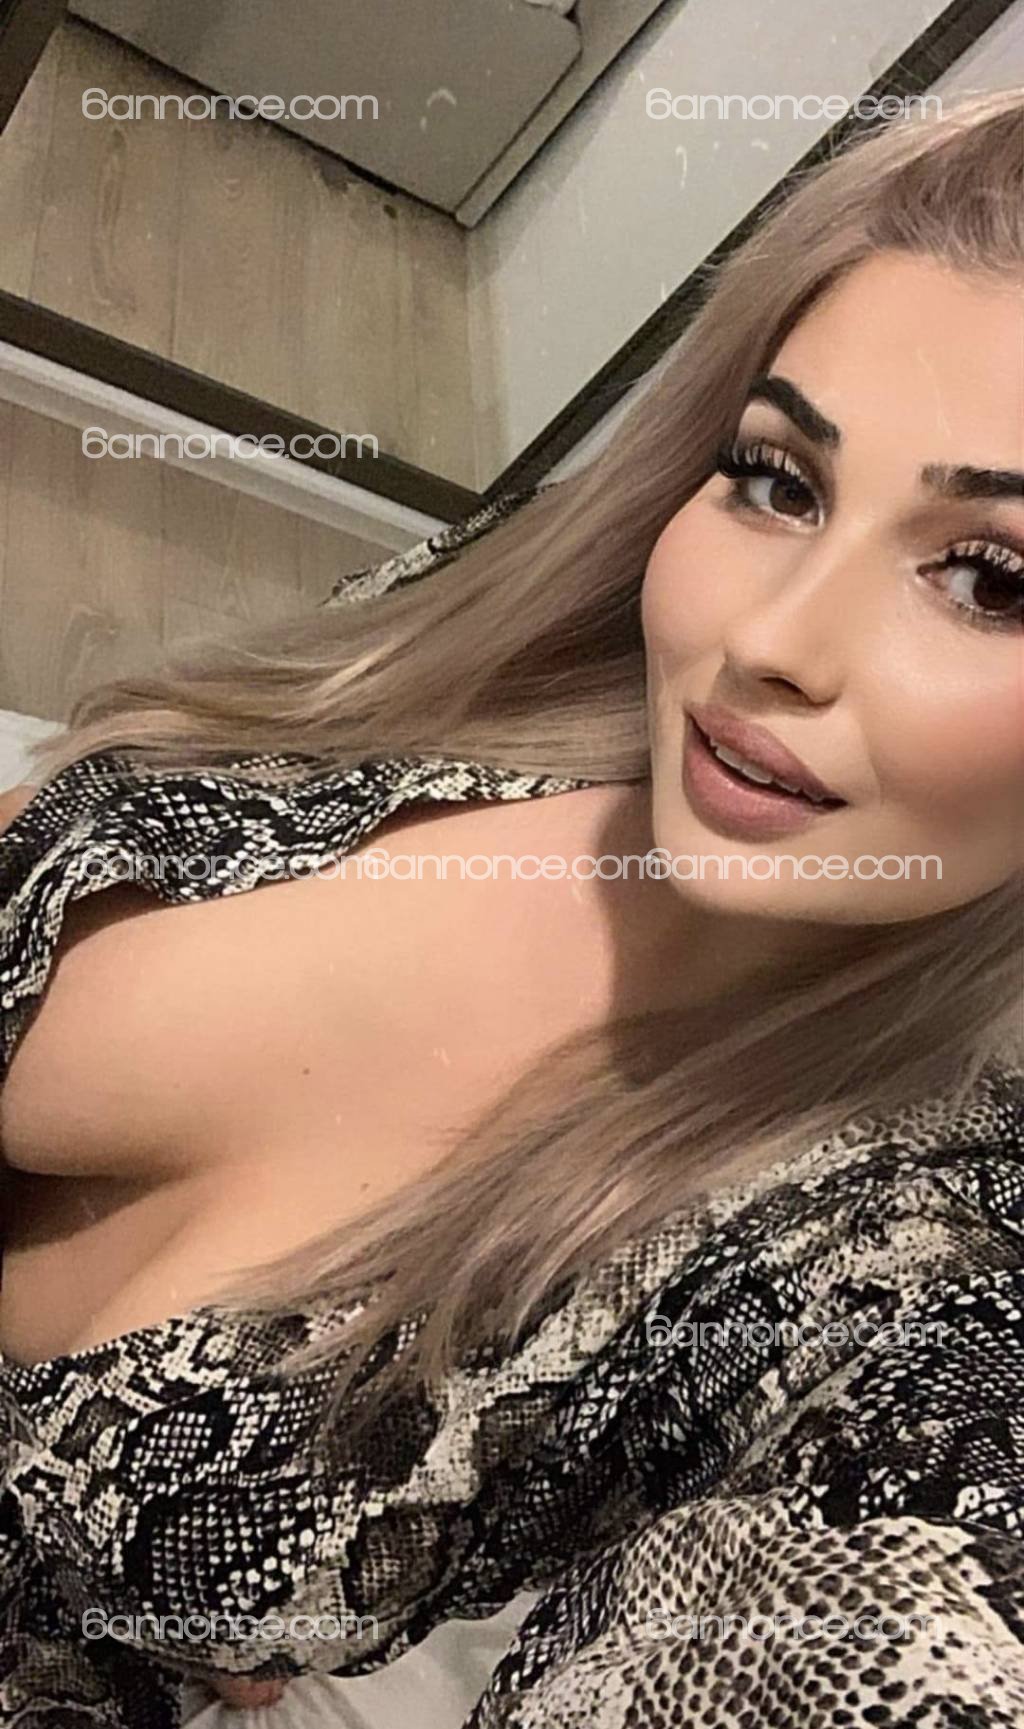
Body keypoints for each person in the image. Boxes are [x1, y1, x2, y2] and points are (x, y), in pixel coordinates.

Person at [0, 87, 1021, 1728]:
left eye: (993, 578)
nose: (770, 639)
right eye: (779, 480)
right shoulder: (507, 657)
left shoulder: (906, 1285)